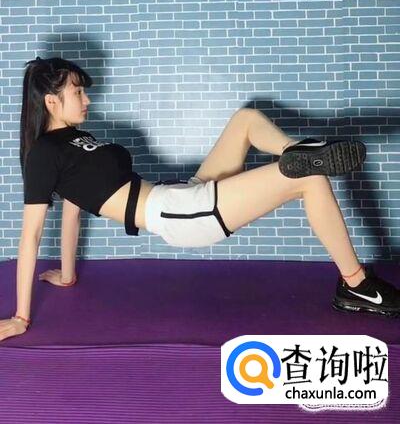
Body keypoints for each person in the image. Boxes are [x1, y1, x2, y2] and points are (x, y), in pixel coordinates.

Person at [0, 57, 399, 343]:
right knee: (311, 180)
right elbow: (31, 235)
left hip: (181, 193)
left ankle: (299, 151)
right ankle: (356, 285)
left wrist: (68, 275)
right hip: (181, 215)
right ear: (51, 101)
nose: (86, 99)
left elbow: (74, 211)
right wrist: (20, 317)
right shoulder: (43, 154)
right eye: (78, 92)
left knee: (246, 120)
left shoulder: (75, 140)